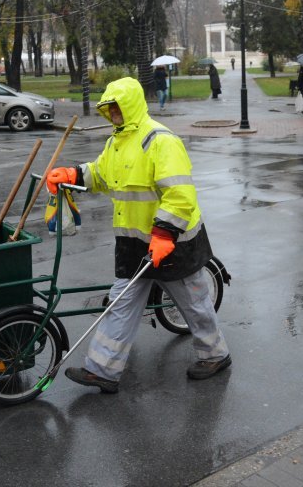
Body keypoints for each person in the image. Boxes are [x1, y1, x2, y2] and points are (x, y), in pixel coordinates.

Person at [47, 77, 231, 394]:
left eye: (117, 106)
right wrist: (73, 174)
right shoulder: (116, 143)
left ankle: (215, 355)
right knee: (121, 303)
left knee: (195, 304)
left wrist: (164, 234)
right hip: (135, 243)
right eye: (108, 107)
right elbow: (102, 175)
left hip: (173, 243)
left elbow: (180, 194)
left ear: (130, 105)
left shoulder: (160, 141)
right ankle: (102, 370)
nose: (113, 112)